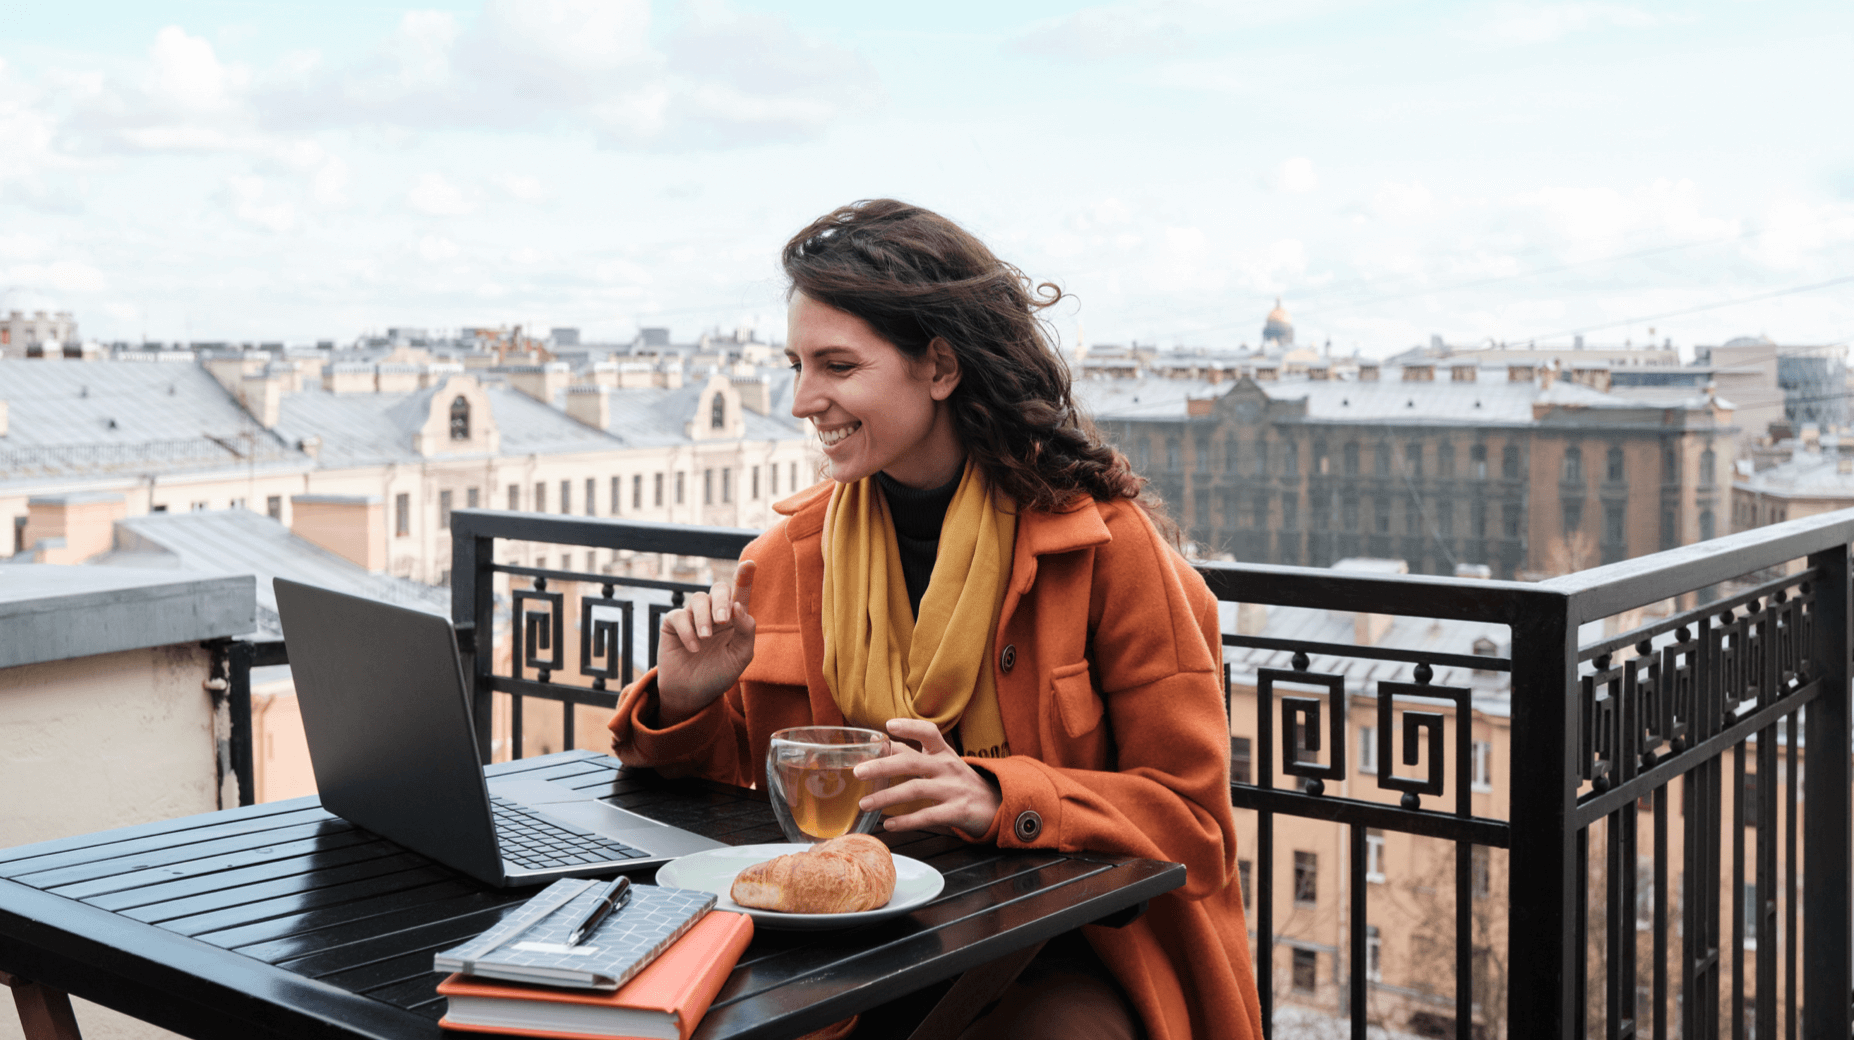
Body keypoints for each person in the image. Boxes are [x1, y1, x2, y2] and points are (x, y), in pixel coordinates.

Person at [610, 199, 1262, 1040]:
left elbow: (1196, 829)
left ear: (941, 368)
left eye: (837, 366)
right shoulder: (784, 559)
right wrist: (684, 701)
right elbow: (718, 811)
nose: (804, 399)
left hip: (1054, 948)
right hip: (842, 956)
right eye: (796, 364)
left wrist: (996, 795)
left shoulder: (1105, 549)